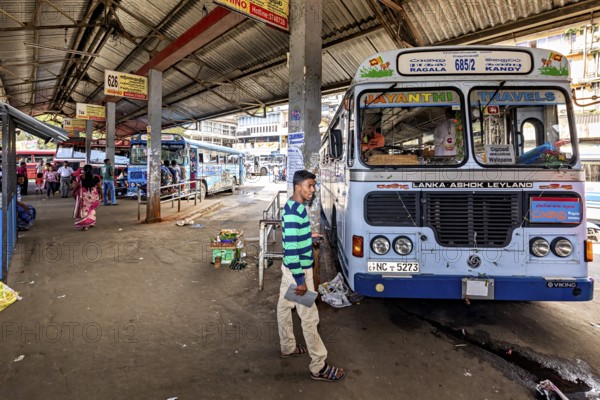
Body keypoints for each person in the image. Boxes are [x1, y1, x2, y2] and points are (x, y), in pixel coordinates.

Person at [277, 170, 346, 382]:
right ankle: (319, 366)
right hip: (298, 273)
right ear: (298, 186)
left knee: (284, 307)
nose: (313, 190)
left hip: (291, 271)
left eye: (314, 186)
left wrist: (309, 238)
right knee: (309, 318)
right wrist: (300, 282)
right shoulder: (293, 213)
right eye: (310, 186)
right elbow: (290, 249)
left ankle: (288, 346)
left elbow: (295, 239)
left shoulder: (296, 208)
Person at [72, 164, 102, 231]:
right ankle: (92, 222)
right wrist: (101, 195)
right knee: (91, 209)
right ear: (92, 170)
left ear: (84, 170)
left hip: (83, 196)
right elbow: (99, 187)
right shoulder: (96, 177)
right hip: (94, 196)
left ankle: (85, 225)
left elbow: (74, 186)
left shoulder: (78, 177)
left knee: (84, 210)